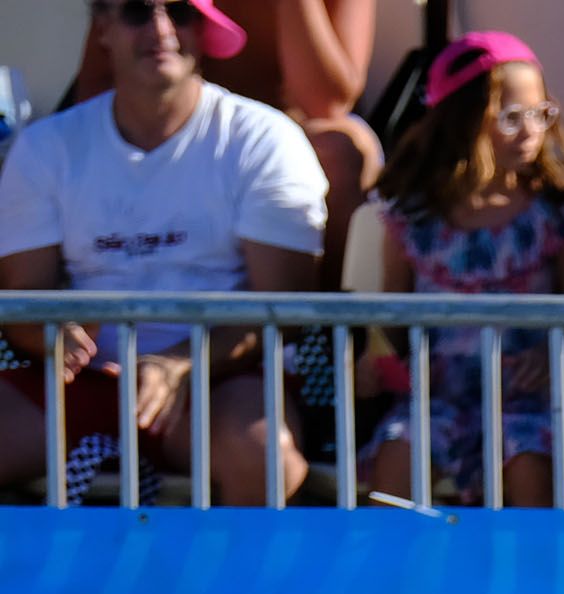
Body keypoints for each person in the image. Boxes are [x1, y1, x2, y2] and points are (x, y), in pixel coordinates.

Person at [0, 0, 326, 505]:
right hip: (77, 383)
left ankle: (230, 587)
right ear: (102, 29)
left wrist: (180, 364)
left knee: (265, 457)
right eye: (137, 11)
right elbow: (23, 299)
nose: (161, 29)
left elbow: (281, 312)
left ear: (203, 30)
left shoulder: (265, 139)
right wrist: (50, 334)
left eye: (180, 11)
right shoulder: (46, 147)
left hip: (218, 382)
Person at [359, 32, 564, 508]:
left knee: (528, 461)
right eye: (512, 117)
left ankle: (531, 574)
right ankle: (391, 573)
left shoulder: (560, 220)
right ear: (462, 122)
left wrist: (556, 350)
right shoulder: (411, 222)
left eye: (542, 113)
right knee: (400, 451)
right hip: (441, 398)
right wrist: (394, 365)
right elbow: (392, 318)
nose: (532, 129)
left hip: (531, 402)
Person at [67, 0, 382, 290]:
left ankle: (330, 338)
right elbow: (93, 108)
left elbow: (325, 103)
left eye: (180, 13)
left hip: (279, 146)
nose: (162, 25)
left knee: (343, 150)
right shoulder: (140, 17)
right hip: (185, 139)